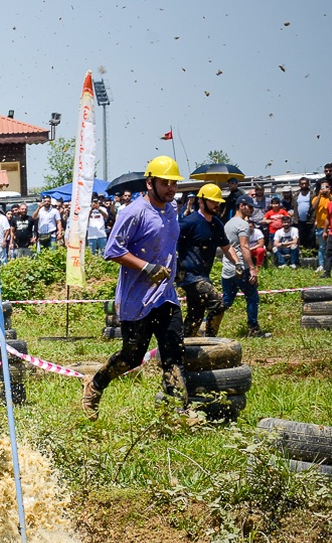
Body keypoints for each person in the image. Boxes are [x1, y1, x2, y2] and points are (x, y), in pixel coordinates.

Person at [82, 156, 186, 420]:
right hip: (137, 299)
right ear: (150, 183)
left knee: (173, 353)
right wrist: (147, 267)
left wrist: (177, 269)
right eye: (166, 183)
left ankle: (176, 412)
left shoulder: (172, 211)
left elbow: (168, 245)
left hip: (166, 297)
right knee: (132, 358)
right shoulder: (133, 211)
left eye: (174, 183)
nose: (171, 189)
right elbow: (112, 250)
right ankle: (94, 385)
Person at [176, 183, 233, 337]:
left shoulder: (216, 224)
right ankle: (211, 340)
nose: (217, 205)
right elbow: (169, 240)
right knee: (218, 305)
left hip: (203, 276)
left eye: (218, 202)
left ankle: (181, 346)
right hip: (190, 277)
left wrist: (239, 264)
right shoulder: (189, 222)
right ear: (201, 201)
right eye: (213, 201)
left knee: (195, 317)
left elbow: (226, 247)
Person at [223, 196, 270, 338]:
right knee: (252, 296)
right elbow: (244, 247)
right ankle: (253, 329)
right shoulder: (242, 224)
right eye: (250, 207)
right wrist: (251, 268)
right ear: (241, 205)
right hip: (240, 267)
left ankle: (205, 325)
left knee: (226, 301)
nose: (252, 210)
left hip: (228, 268)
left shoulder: (228, 224)